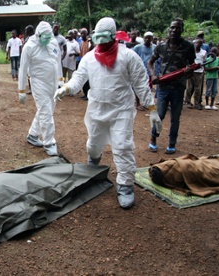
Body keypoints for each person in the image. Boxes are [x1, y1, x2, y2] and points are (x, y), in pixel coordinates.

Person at [53, 17, 161, 209]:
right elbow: (78, 79)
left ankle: (125, 184)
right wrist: (66, 88)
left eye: (104, 37)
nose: (100, 41)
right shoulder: (89, 58)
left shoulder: (128, 56)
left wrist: (151, 108)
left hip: (121, 110)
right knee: (93, 146)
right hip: (96, 109)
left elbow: (140, 83)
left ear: (113, 36)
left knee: (122, 146)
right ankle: (93, 170)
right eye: (97, 37)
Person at [148, 19, 196, 154]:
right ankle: (153, 139)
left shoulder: (188, 46)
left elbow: (191, 64)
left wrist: (188, 70)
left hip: (179, 87)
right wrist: (153, 75)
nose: (174, 30)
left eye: (177, 28)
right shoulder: (161, 46)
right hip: (163, 87)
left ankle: (172, 143)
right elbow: (150, 62)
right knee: (160, 115)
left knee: (175, 118)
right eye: (172, 28)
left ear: (182, 30)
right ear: (169, 29)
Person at [18, 21, 63, 156]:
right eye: (45, 37)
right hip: (38, 83)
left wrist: (61, 81)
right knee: (45, 111)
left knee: (48, 109)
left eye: (50, 37)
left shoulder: (53, 42)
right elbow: (23, 69)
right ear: (38, 35)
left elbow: (57, 62)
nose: (48, 39)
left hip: (53, 82)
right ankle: (49, 142)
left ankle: (33, 134)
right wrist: (21, 90)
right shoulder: (29, 47)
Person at [133, 31, 156, 111]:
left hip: (150, 71)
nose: (147, 39)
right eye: (146, 37)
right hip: (139, 71)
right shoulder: (138, 47)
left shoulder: (154, 47)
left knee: (147, 87)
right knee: (138, 86)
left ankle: (146, 103)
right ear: (144, 38)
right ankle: (138, 103)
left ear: (152, 39)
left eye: (149, 38)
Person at [184, 39, 206, 110]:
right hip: (191, 71)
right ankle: (187, 101)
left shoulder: (204, 52)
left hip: (199, 72)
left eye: (199, 43)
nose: (197, 44)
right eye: (196, 43)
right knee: (189, 87)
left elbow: (204, 61)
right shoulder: (190, 51)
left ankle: (196, 103)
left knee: (198, 88)